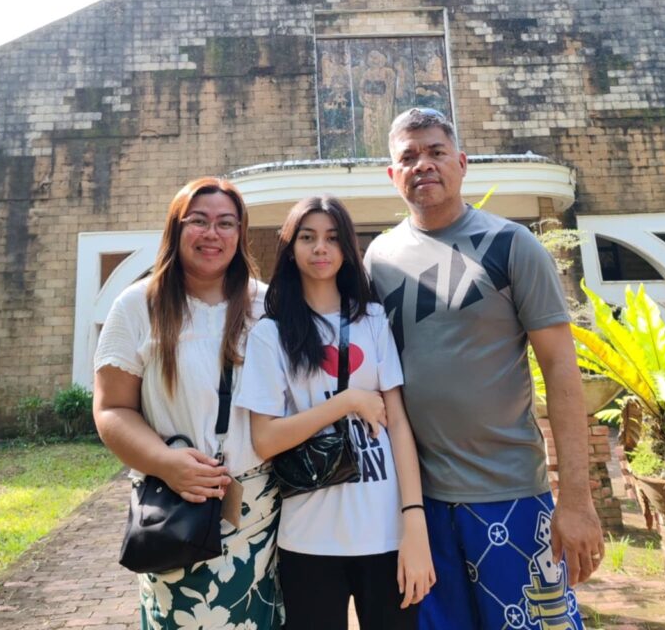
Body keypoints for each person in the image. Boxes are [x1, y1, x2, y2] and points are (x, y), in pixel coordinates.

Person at [363, 108, 604, 630]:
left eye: (435, 152)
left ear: (462, 163)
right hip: (416, 505)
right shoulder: (378, 258)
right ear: (392, 174)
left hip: (511, 495)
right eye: (408, 156)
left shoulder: (511, 245)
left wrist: (578, 501)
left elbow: (562, 371)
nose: (422, 164)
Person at [237, 195, 435, 630]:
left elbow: (398, 425)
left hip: (384, 531)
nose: (320, 248)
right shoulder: (272, 334)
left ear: (347, 249)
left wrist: (413, 523)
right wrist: (345, 402)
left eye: (331, 238)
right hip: (308, 536)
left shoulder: (372, 320)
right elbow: (265, 439)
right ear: (290, 249)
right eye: (307, 238)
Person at [93, 177, 282, 630]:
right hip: (179, 505)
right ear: (176, 230)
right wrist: (166, 463)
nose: (212, 234)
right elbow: (112, 409)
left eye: (226, 223)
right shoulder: (138, 305)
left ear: (241, 233)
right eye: (198, 221)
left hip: (261, 510)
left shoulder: (267, 303)